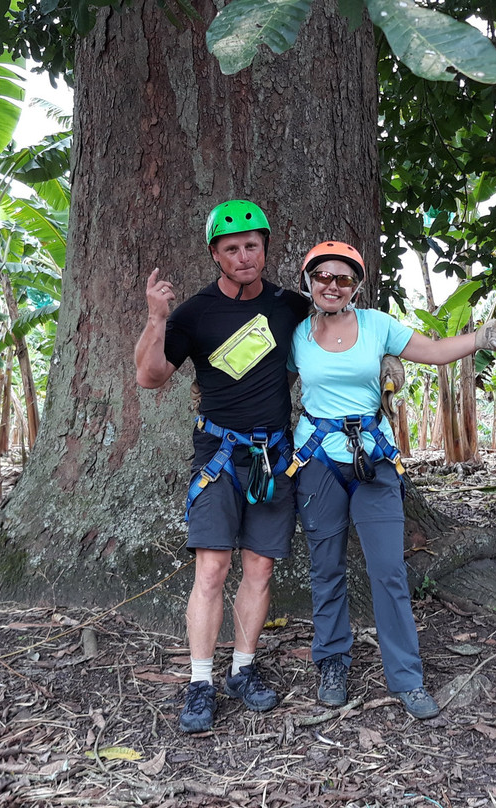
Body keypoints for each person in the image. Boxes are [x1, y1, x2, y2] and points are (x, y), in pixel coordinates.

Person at [287, 241, 496, 720]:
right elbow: (272, 380)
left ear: (355, 285)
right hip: (317, 460)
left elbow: (433, 352)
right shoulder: (296, 335)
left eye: (343, 278)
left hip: (372, 460)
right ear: (308, 282)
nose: (332, 286)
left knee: (389, 571)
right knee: (325, 566)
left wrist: (483, 338)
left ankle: (406, 677)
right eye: (323, 277)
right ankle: (332, 662)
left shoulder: (376, 326)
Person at [134, 200, 308, 733]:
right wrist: (156, 319)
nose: (244, 255)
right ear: (216, 255)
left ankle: (244, 669)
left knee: (260, 568)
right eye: (231, 248)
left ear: (265, 248)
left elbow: (337, 332)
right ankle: (200, 681)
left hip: (275, 455)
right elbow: (150, 376)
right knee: (212, 569)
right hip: (220, 456)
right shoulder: (194, 312)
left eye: (252, 245)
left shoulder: (289, 305)